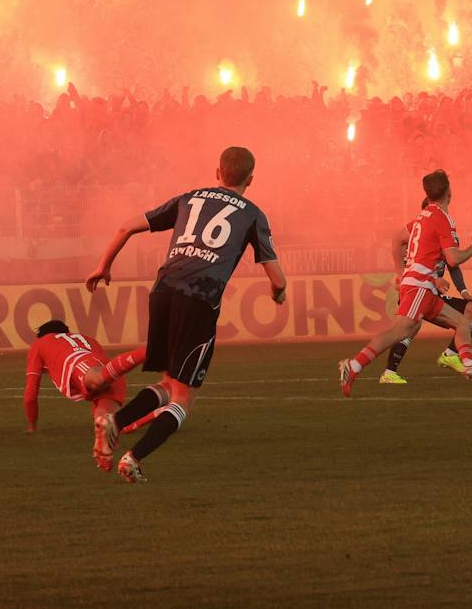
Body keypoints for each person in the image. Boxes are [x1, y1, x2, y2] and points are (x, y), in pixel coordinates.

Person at [84, 146, 287, 483]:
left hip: (162, 292)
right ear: (251, 179)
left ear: (217, 172)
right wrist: (278, 293)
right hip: (199, 300)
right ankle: (133, 458)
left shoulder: (188, 198)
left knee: (168, 382)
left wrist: (103, 266)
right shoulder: (253, 214)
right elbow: (277, 279)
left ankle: (114, 423)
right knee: (183, 399)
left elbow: (125, 227)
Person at [341, 170, 472, 395]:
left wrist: (401, 274)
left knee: (463, 323)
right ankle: (353, 366)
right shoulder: (443, 219)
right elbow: (453, 259)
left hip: (423, 286)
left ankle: (471, 367)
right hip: (419, 287)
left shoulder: (421, 217)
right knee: (398, 332)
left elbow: (398, 240)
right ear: (449, 192)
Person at [22, 319, 144, 470]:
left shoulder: (40, 343)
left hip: (81, 365)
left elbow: (31, 392)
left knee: (98, 379)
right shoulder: (88, 339)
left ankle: (147, 351)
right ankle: (163, 411)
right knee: (111, 423)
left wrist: (32, 425)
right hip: (113, 371)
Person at [376, 236, 472, 385]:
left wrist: (463, 291)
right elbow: (404, 261)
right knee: (408, 329)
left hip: (431, 296)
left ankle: (451, 354)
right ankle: (387, 372)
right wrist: (402, 278)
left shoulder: (443, 249)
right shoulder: (423, 247)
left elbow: (454, 267)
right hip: (415, 293)